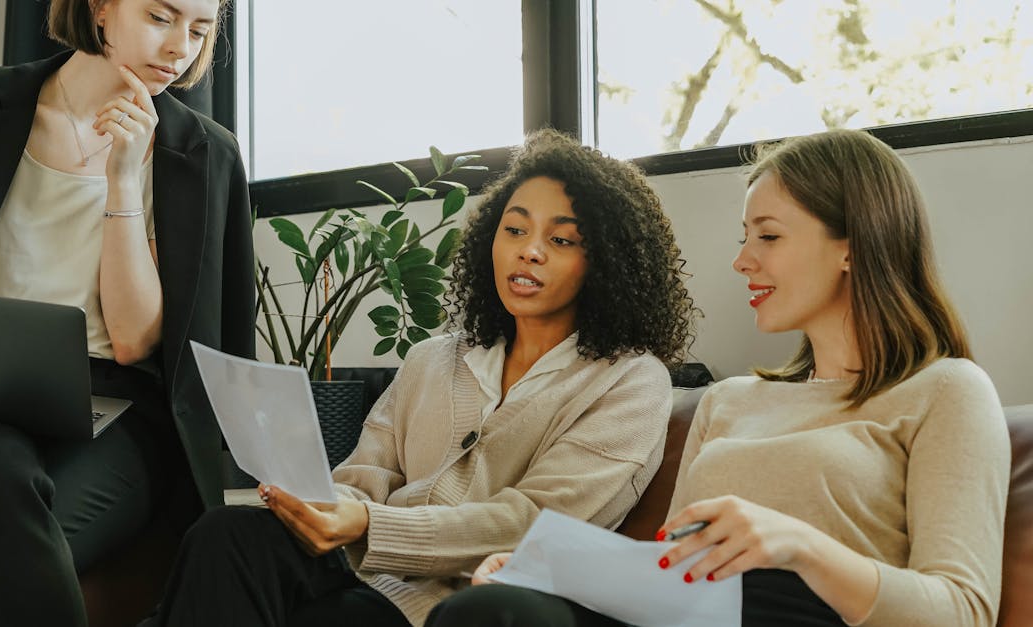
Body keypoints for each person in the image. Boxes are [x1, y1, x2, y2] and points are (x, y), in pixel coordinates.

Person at [428, 129, 1010, 627]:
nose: (742, 260)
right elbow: (667, 575)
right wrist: (549, 568)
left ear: (851, 246)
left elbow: (962, 610)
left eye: (769, 236)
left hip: (796, 612)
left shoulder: (947, 390)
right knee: (492, 609)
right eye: (744, 237)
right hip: (692, 614)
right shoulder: (728, 401)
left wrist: (800, 546)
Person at [138, 128, 698, 627]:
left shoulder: (630, 382)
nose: (528, 252)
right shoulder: (433, 358)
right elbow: (366, 476)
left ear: (604, 262)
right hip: (359, 573)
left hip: (464, 599)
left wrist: (367, 526)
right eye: (514, 229)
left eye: (561, 240)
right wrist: (316, 503)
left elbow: (533, 525)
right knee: (228, 534)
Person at [0, 0, 254, 625]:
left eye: (200, 29)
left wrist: (124, 179)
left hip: (115, 414)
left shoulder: (204, 155)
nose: (180, 46)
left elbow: (133, 343)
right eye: (161, 17)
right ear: (100, 8)